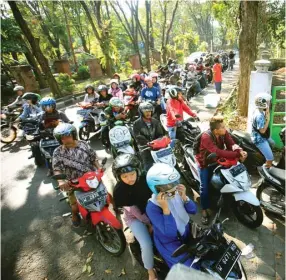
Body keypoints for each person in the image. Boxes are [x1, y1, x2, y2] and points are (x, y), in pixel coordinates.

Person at [195, 116, 247, 225]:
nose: (225, 128)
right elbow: (218, 151)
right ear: (215, 130)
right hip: (205, 163)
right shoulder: (206, 137)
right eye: (223, 127)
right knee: (204, 187)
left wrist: (240, 150)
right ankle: (204, 209)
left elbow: (231, 143)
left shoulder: (224, 133)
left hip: (218, 160)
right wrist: (236, 154)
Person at [112, 154, 157, 280]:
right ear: (119, 177)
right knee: (146, 244)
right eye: (124, 176)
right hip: (135, 217)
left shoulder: (146, 178)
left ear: (138, 170)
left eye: (132, 174)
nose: (130, 179)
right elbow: (136, 212)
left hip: (152, 210)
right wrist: (150, 224)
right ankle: (150, 272)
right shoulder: (119, 191)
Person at [146, 163, 198, 269]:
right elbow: (170, 232)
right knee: (191, 269)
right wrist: (165, 209)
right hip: (169, 243)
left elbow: (193, 210)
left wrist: (184, 197)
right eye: (167, 186)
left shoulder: (176, 194)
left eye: (174, 183)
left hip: (186, 233)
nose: (172, 187)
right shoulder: (152, 207)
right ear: (156, 188)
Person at [53, 123, 101, 227]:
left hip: (92, 178)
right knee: (75, 207)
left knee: (106, 196)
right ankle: (74, 215)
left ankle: (115, 208)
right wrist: (61, 181)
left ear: (74, 135)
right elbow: (57, 169)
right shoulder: (57, 152)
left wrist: (99, 168)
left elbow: (93, 158)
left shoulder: (84, 144)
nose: (66, 140)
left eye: (68, 136)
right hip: (74, 183)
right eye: (63, 138)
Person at [133, 102, 165, 171]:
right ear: (141, 112)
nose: (148, 113)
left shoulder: (155, 122)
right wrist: (148, 143)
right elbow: (138, 137)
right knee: (148, 166)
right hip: (144, 147)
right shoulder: (136, 123)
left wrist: (158, 142)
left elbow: (160, 134)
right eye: (145, 111)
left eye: (149, 111)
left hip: (157, 146)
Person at [251, 93, 275, 168]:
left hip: (261, 136)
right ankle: (267, 170)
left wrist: (266, 113)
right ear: (263, 103)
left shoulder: (258, 111)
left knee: (273, 143)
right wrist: (268, 119)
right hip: (259, 139)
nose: (269, 103)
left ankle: (265, 156)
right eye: (267, 102)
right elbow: (262, 131)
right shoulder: (259, 116)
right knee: (271, 158)